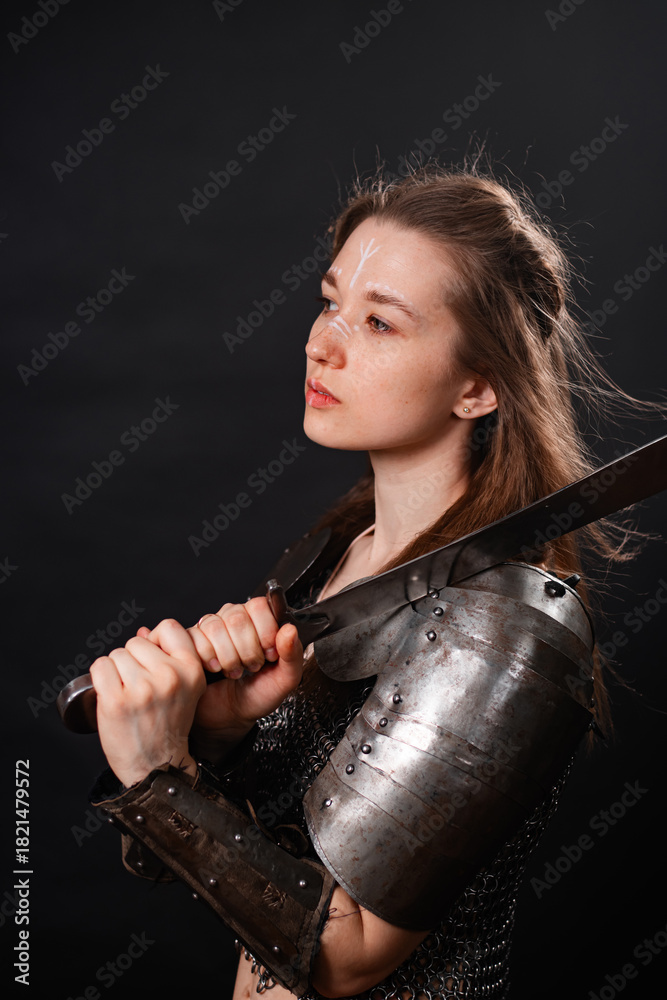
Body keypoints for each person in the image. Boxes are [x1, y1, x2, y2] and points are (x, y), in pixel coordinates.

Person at [89, 161, 645, 999]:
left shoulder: (505, 629)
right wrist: (212, 735)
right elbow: (239, 865)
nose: (321, 342)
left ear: (479, 386)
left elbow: (339, 957)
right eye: (329, 300)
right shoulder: (329, 556)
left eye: (379, 324)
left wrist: (157, 780)